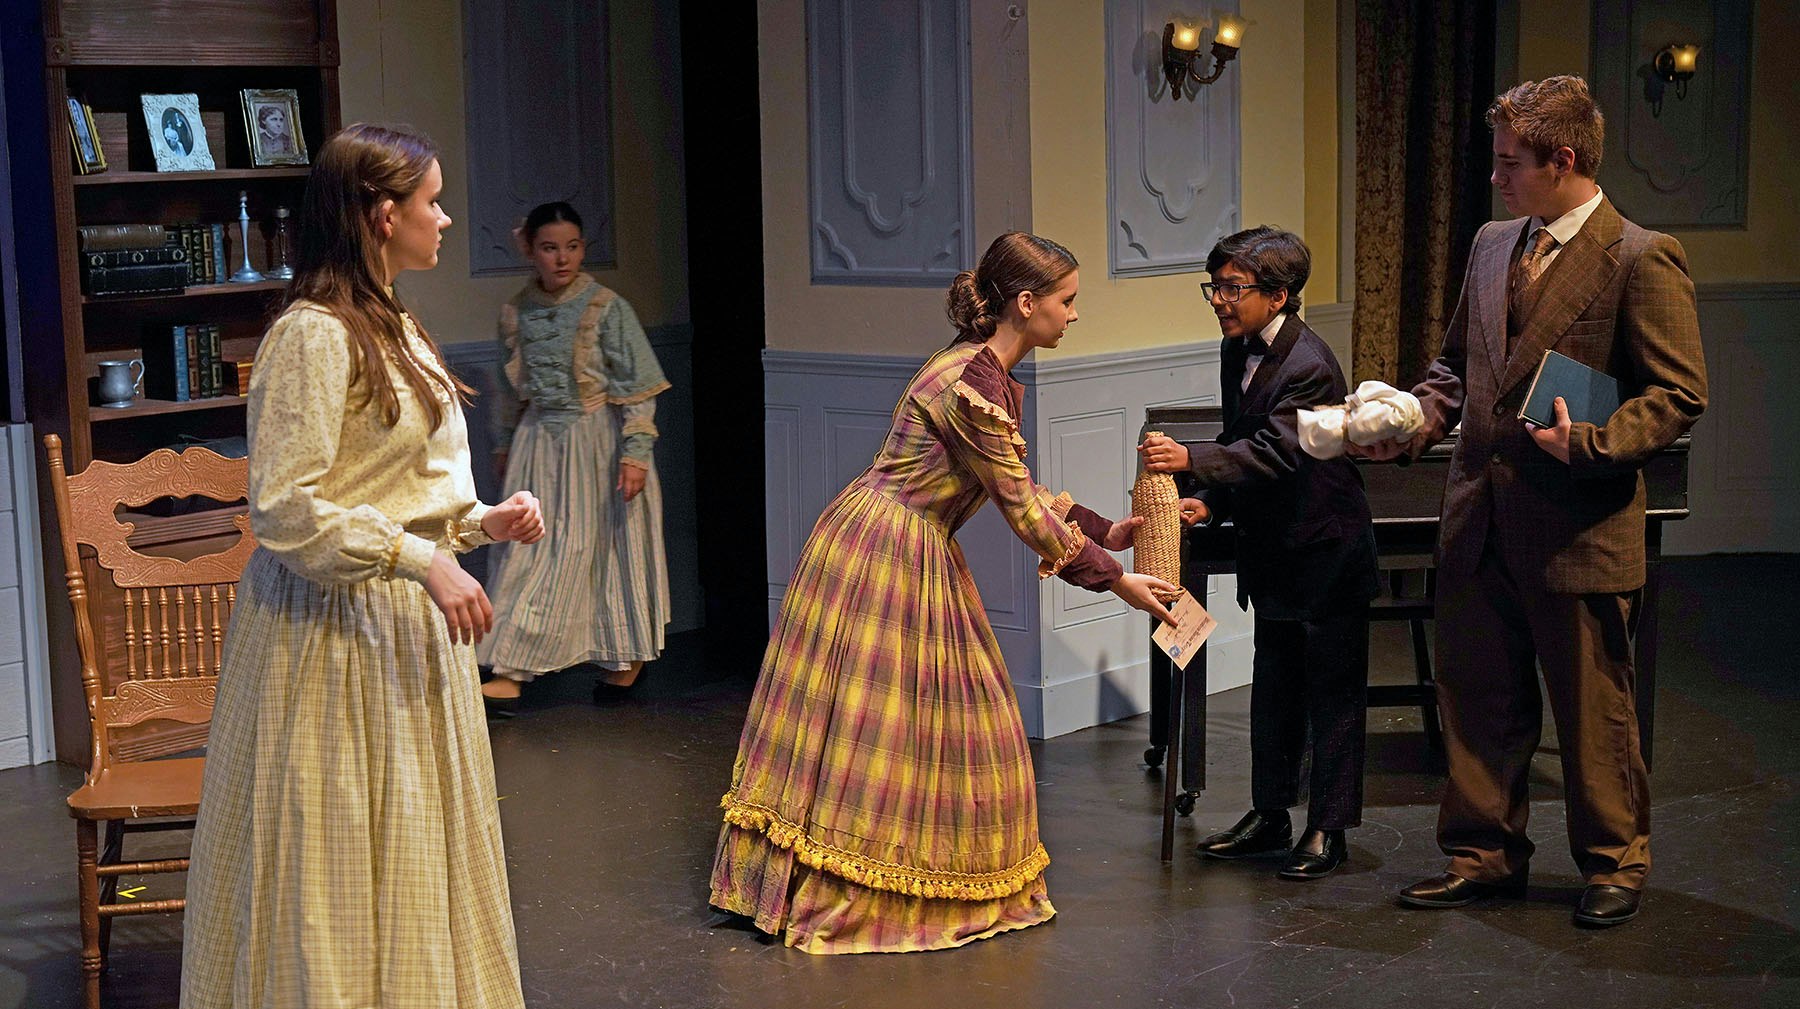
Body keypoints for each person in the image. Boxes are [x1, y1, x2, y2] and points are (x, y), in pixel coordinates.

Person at [173, 123, 551, 1009]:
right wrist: (423, 562)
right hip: (329, 643)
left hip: (400, 642)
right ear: (382, 214)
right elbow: (287, 509)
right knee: (342, 892)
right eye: (431, 201)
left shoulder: (395, 327)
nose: (443, 217)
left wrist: (480, 523)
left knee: (412, 883)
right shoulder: (312, 335)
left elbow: (397, 494)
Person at [709, 231, 1176, 953]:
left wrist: (1103, 530)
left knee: (905, 727)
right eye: (1067, 301)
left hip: (892, 540)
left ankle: (826, 876)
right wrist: (1115, 581)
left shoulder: (980, 371)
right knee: (883, 730)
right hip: (888, 548)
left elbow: (1018, 485)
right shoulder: (972, 383)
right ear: (1026, 304)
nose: (1074, 315)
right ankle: (855, 888)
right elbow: (1019, 506)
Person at [1360, 77, 1707, 926]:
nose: (1495, 178)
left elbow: (1677, 392)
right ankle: (1482, 854)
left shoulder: (1638, 254)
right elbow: (1455, 368)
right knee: (1476, 699)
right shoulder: (1489, 244)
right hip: (1479, 517)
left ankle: (1613, 862)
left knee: (1593, 713)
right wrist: (1411, 419)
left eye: (1510, 163)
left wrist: (1590, 444)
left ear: (1563, 161)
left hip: (1575, 523)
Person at [1140, 226, 1378, 880]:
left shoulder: (1308, 365)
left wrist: (1192, 461)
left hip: (1325, 548)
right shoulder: (1237, 345)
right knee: (1274, 688)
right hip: (1274, 549)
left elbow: (1281, 451)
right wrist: (1210, 502)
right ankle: (1271, 814)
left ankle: (1329, 830)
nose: (1217, 299)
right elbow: (1243, 439)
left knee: (1331, 695)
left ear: (1278, 296)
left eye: (1231, 288)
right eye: (1213, 286)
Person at [478, 201, 671, 712]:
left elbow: (637, 387)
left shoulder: (606, 307)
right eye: (549, 247)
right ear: (529, 250)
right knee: (530, 551)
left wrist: (636, 451)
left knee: (606, 551)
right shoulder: (516, 312)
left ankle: (621, 662)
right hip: (539, 443)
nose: (562, 259)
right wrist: (503, 442)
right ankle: (512, 667)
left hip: (597, 444)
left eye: (572, 246)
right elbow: (507, 390)